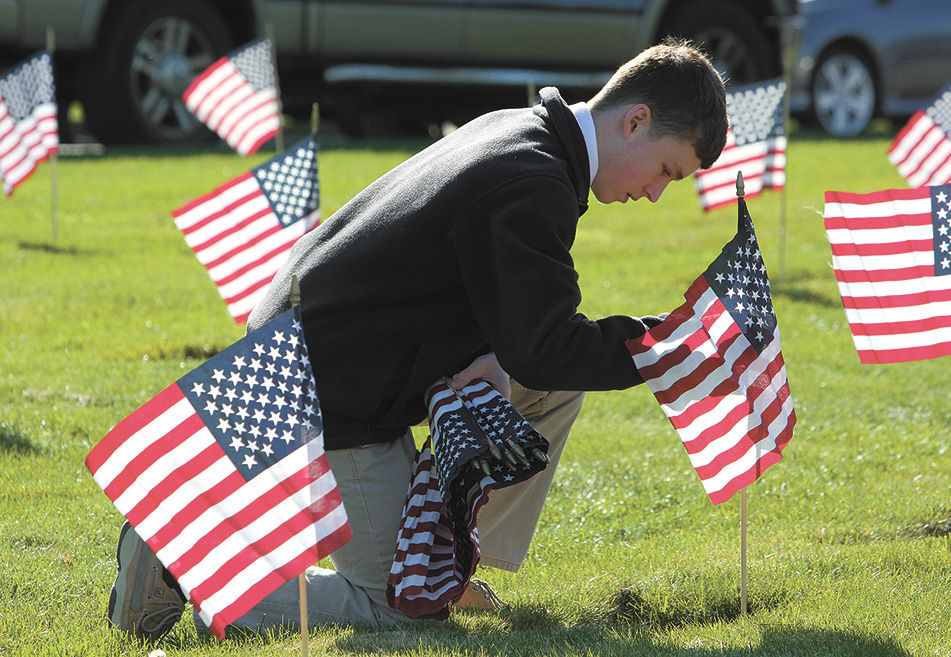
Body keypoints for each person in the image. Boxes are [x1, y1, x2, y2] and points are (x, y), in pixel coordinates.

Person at [106, 36, 728, 641]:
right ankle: (185, 563)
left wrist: (492, 352)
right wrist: (674, 345)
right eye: (668, 170)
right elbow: (542, 344)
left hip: (337, 341)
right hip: (329, 377)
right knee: (399, 609)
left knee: (551, 389)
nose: (654, 193)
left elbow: (497, 307)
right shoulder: (535, 180)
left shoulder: (527, 133)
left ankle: (455, 566)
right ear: (636, 121)